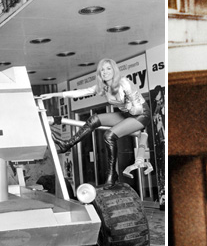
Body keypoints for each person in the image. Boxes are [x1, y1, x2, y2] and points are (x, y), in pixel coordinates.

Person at [39, 58, 149, 186]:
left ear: (114, 70)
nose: (105, 72)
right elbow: (81, 92)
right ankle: (67, 144)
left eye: (108, 68)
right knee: (94, 119)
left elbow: (138, 109)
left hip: (141, 115)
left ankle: (112, 174)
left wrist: (129, 105)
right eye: (102, 69)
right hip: (127, 114)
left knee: (109, 135)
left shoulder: (124, 83)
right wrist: (54, 95)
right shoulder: (103, 87)